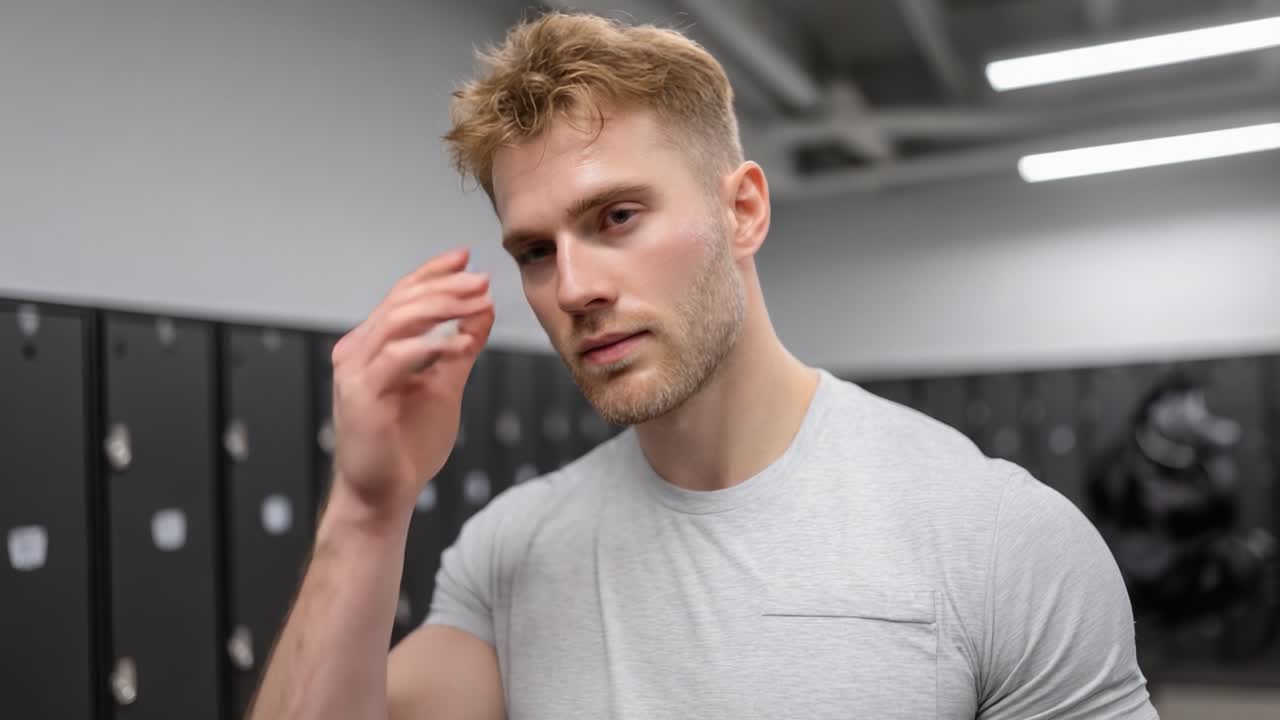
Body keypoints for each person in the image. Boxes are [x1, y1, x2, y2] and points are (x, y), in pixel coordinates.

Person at [248, 11, 1158, 719]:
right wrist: (368, 512)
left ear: (745, 211)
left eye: (616, 217)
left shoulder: (996, 539)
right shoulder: (510, 553)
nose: (573, 287)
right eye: (533, 249)